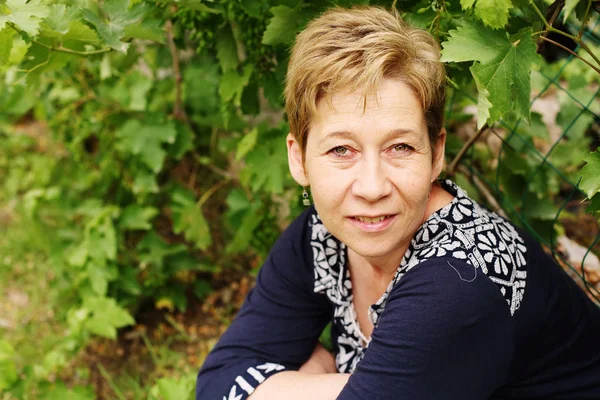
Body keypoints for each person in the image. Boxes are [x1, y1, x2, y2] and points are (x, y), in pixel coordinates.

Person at [196, 6, 600, 399]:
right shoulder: (321, 236)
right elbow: (216, 380)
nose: (372, 188)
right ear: (298, 158)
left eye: (400, 146)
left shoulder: (460, 279)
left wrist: (287, 380)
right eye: (341, 150)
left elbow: (238, 380)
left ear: (435, 154)